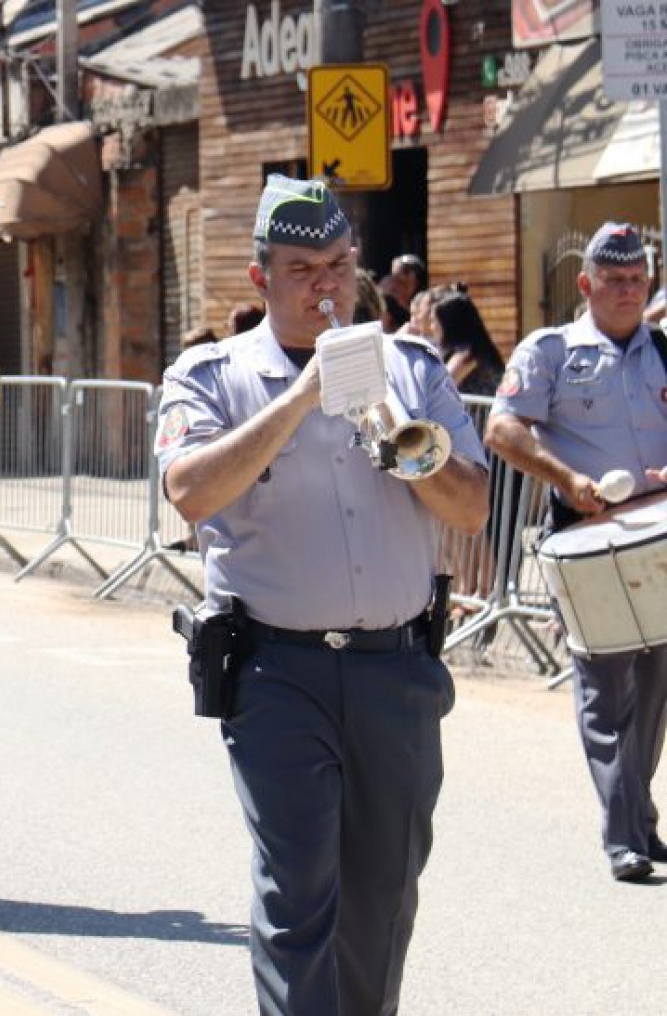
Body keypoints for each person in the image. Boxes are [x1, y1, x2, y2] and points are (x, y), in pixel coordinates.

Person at [155, 176, 488, 1013]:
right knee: (297, 893)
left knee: (381, 901)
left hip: (395, 668)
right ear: (259, 277)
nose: (326, 287)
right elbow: (189, 492)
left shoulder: (409, 370)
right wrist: (300, 400)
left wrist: (406, 449)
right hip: (277, 671)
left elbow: (475, 508)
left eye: (339, 265)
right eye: (302, 268)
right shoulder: (212, 376)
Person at [486, 221, 667, 883]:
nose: (626, 290)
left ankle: (636, 816)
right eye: (613, 280)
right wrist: (566, 479)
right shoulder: (552, 352)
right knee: (603, 692)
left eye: (636, 279)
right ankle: (623, 835)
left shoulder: (664, 352)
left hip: (656, 545)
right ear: (585, 284)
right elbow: (501, 428)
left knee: (653, 690)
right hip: (586, 544)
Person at [427, 290, 504, 398]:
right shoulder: (473, 349)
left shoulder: (468, 355)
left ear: (449, 324)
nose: (431, 327)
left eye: (433, 321)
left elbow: (439, 389)